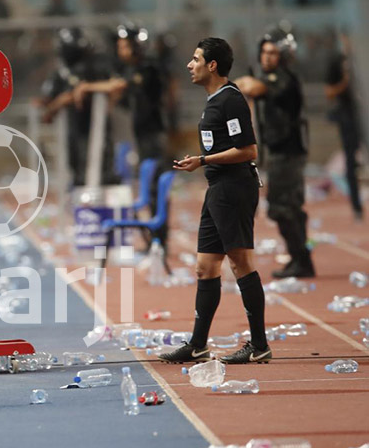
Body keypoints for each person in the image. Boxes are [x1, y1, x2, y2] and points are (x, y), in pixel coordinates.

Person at [159, 38, 271, 364]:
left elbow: (249, 150)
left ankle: (259, 345)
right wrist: (204, 163)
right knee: (205, 267)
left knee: (240, 263)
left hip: (233, 189)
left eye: (195, 59)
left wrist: (204, 160)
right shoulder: (214, 101)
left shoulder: (231, 101)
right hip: (217, 189)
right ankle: (197, 344)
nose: (189, 65)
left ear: (212, 66)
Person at [75, 23, 170, 246]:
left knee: (155, 190)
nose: (120, 51)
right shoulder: (130, 69)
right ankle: (153, 242)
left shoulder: (148, 67)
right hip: (142, 135)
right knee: (147, 187)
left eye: (124, 46)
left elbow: (117, 86)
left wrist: (87, 87)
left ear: (137, 47)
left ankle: (160, 244)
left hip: (153, 136)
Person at [235, 27, 314, 278]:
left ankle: (300, 259)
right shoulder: (272, 76)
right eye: (264, 53)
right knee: (292, 207)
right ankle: (302, 258)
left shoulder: (284, 78)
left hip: (288, 152)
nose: (267, 57)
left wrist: (235, 85)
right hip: (282, 151)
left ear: (283, 55)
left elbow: (256, 88)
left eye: (273, 53)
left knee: (281, 208)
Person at [40, 27, 120, 187]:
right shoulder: (61, 72)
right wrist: (62, 100)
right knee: (78, 168)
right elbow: (47, 111)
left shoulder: (96, 64)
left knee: (103, 165)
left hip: (98, 126)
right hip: (75, 128)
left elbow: (116, 85)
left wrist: (88, 88)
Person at [325, 32, 364, 221]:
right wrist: (345, 82)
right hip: (349, 117)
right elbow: (329, 92)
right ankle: (357, 207)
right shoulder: (337, 63)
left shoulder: (362, 60)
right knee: (350, 162)